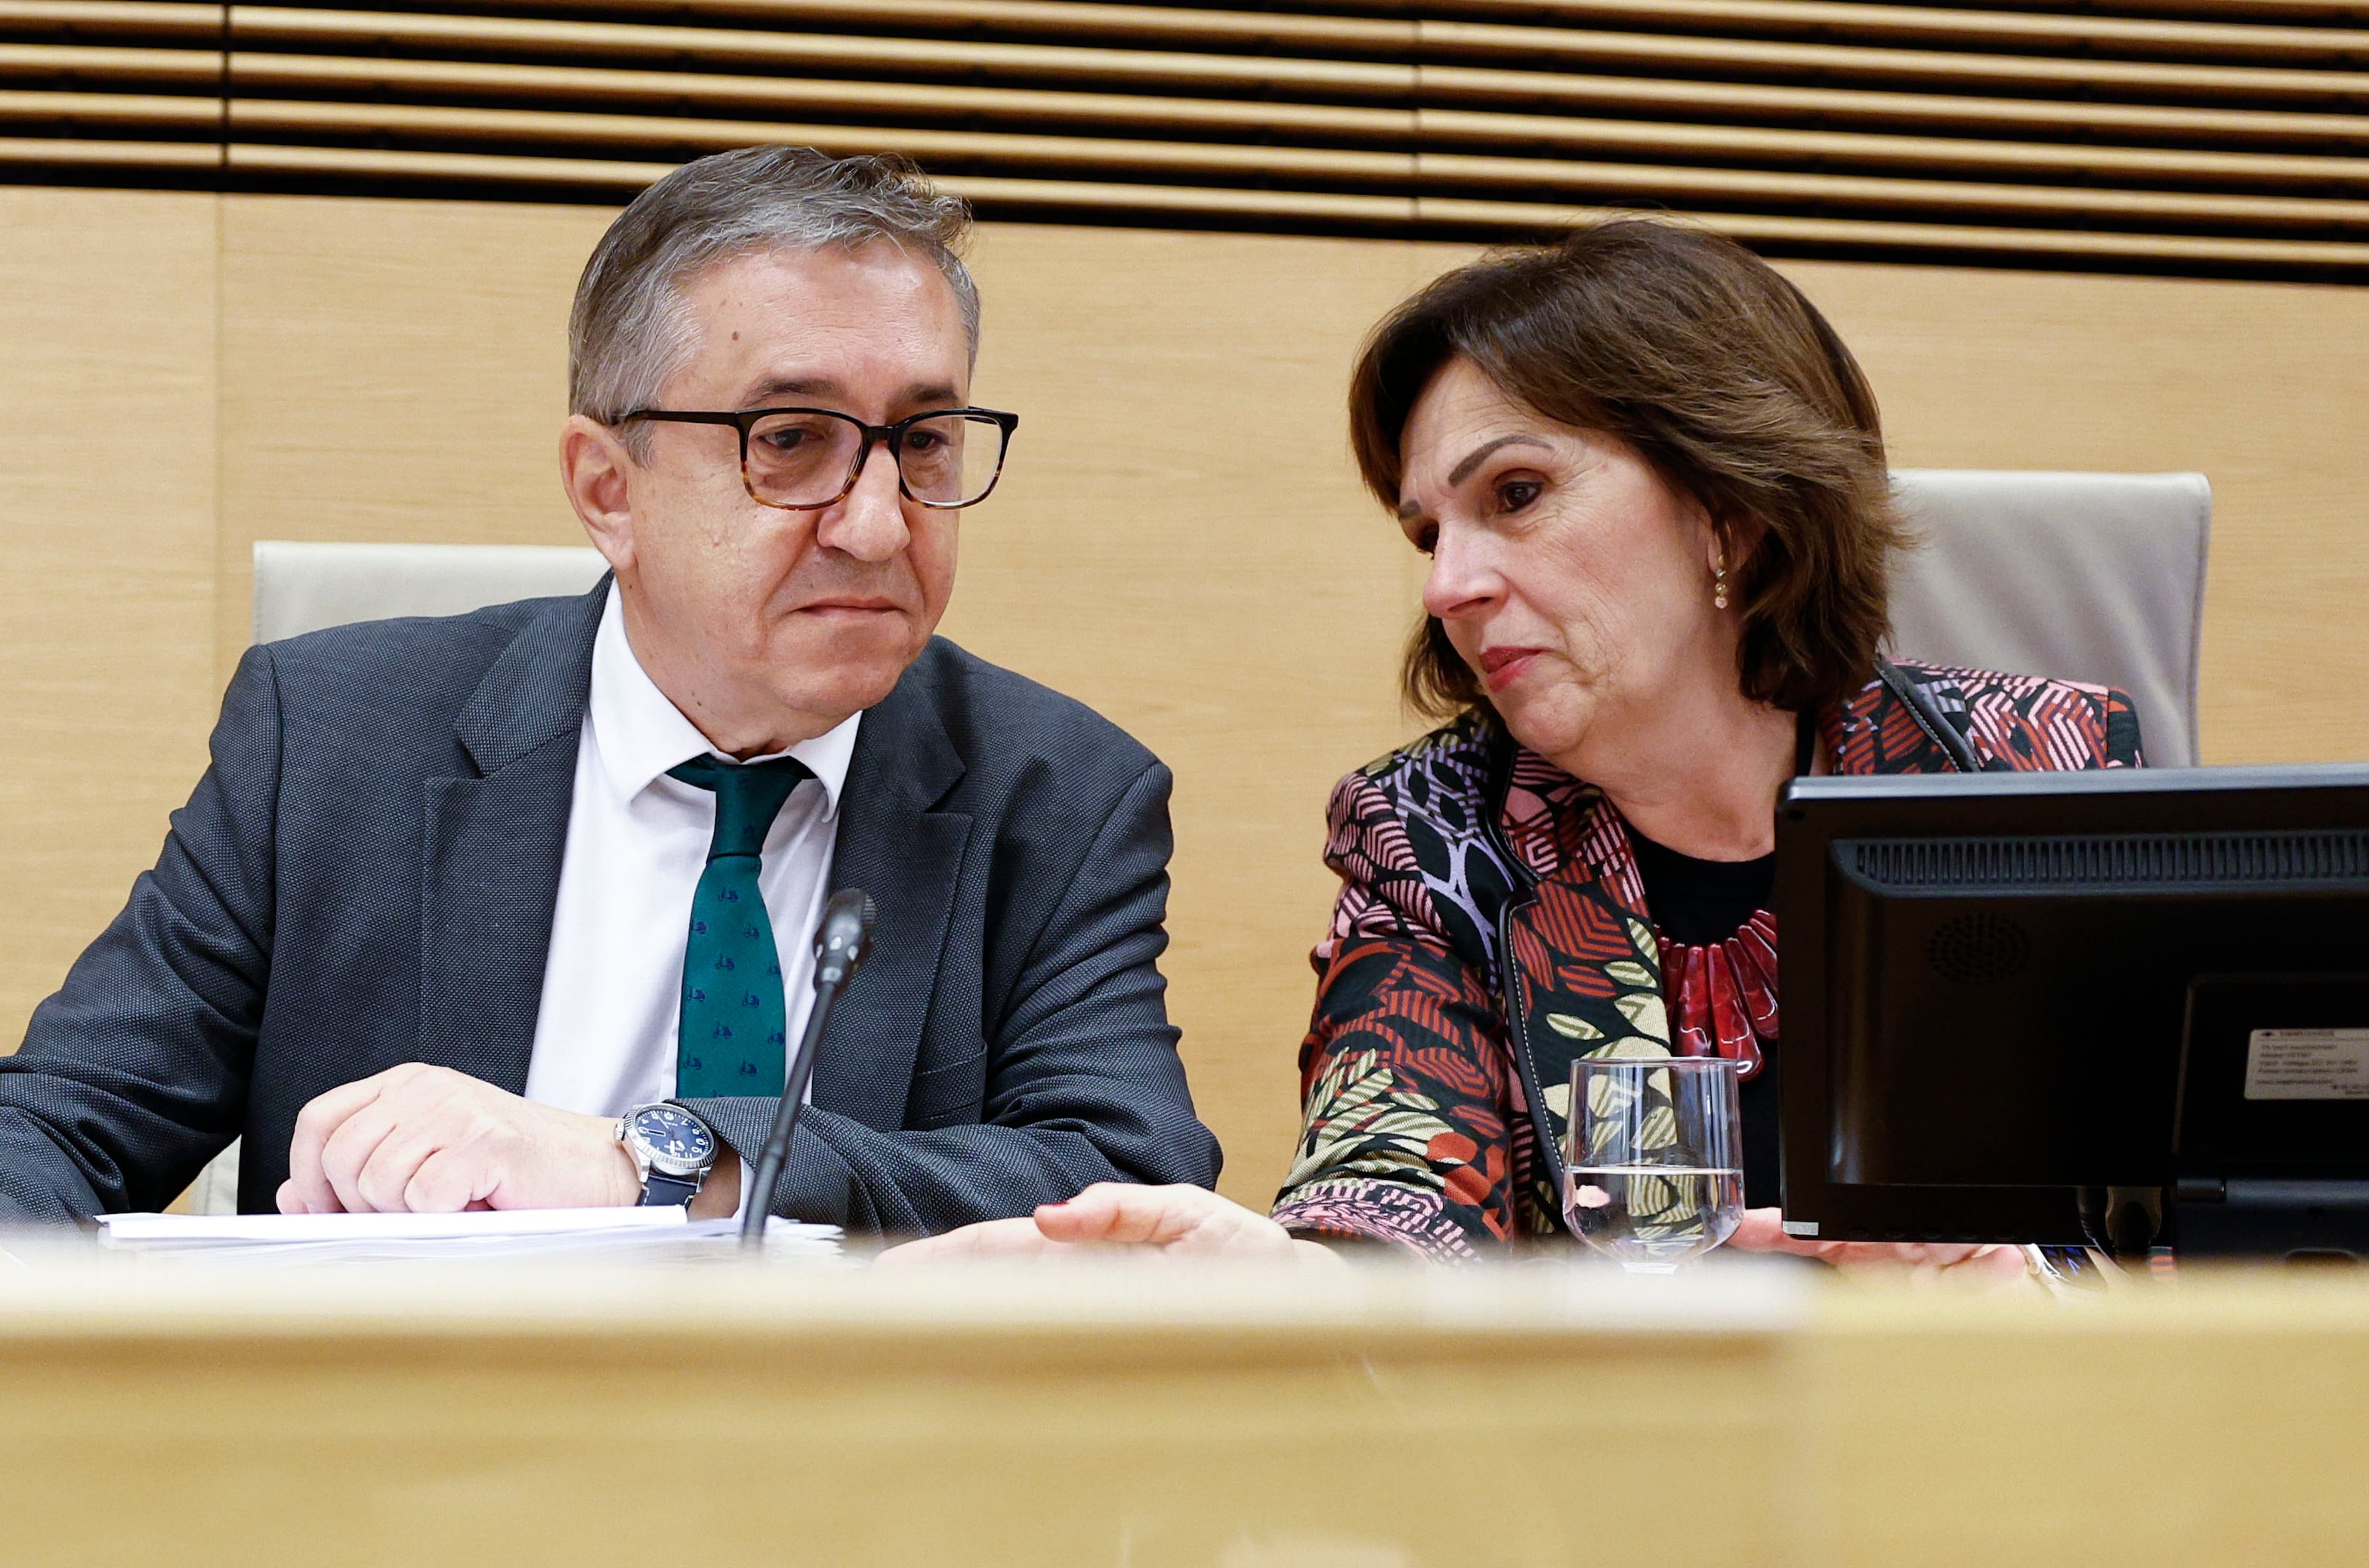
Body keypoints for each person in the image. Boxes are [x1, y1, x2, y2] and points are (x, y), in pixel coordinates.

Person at [0, 148, 1217, 1244]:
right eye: (789, 439)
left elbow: (1118, 1186)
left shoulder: (1061, 798)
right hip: (410, 1504)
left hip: (852, 1519)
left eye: (921, 441)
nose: (876, 519)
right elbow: (53, 1122)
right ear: (605, 488)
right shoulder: (330, 743)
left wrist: (658, 1160)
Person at [900, 218, 2137, 1270]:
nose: (1449, 584)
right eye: (1428, 530)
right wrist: (1303, 1284)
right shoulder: (1432, 833)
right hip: (1623, 1511)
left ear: (1733, 507)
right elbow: (1395, 1181)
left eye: (1518, 494)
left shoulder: (2038, 774)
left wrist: (2038, 1300)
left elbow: (2209, 1213)